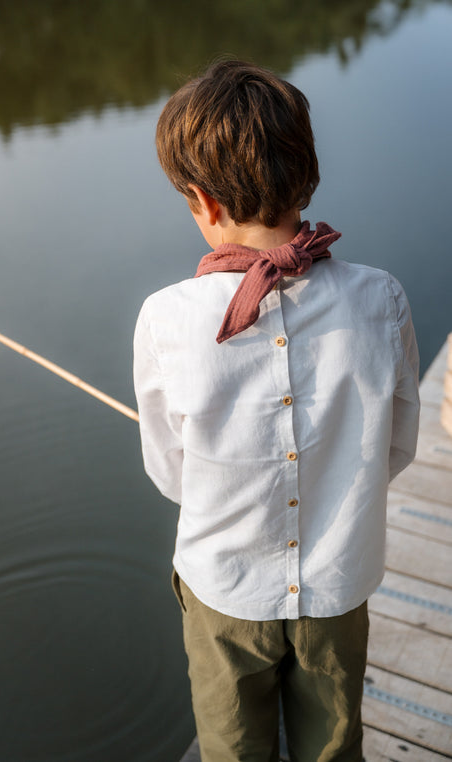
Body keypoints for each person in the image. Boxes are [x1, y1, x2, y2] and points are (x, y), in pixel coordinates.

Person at [133, 60, 419, 762]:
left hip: (224, 593)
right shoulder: (381, 298)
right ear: (308, 176)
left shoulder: (166, 319)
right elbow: (399, 445)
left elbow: (170, 473)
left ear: (201, 201)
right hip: (340, 581)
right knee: (333, 745)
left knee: (232, 749)